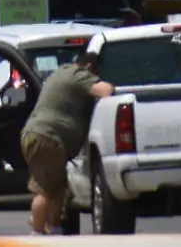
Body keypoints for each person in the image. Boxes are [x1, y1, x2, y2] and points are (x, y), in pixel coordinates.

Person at [20, 52, 116, 235]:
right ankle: (38, 233)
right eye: (96, 73)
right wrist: (110, 85)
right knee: (46, 191)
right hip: (48, 137)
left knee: (55, 189)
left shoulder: (61, 72)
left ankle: (51, 228)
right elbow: (106, 91)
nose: (95, 78)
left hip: (34, 134)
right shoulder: (78, 76)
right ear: (88, 67)